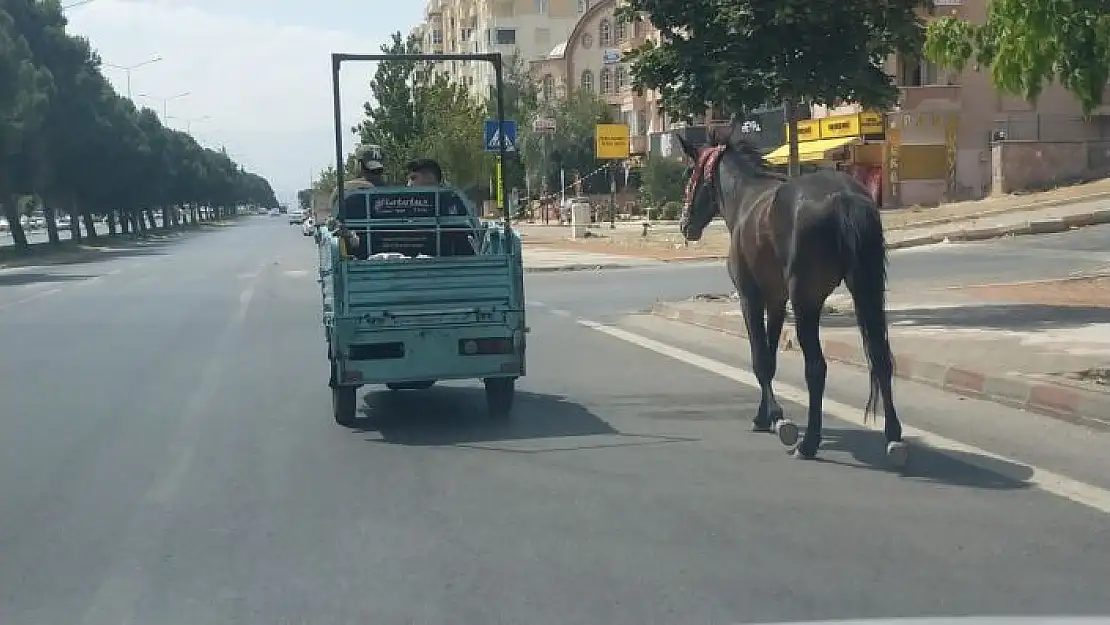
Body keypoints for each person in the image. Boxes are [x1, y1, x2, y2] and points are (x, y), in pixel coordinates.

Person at [329, 144, 387, 259]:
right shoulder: (393, 191)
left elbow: (334, 216)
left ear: (359, 165)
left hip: (356, 254)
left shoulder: (344, 190)